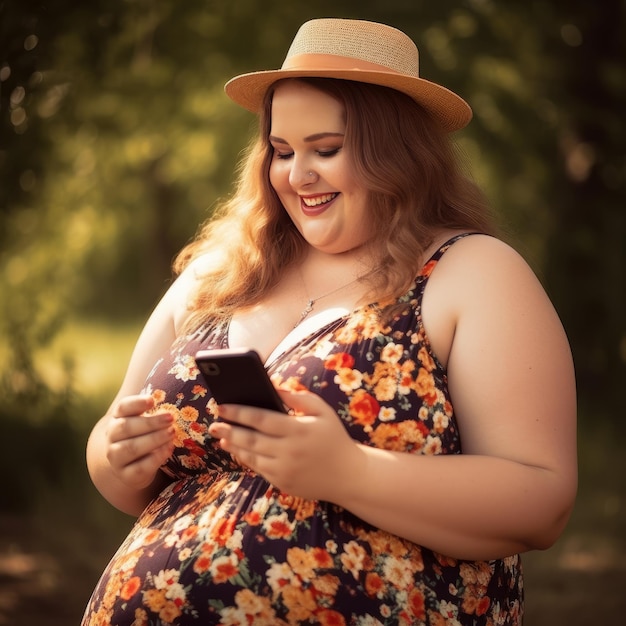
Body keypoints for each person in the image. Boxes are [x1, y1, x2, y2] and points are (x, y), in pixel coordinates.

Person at [82, 17, 577, 626]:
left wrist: (348, 472)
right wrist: (113, 455)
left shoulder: (472, 272)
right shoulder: (222, 272)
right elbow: (115, 459)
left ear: (397, 153)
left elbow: (541, 503)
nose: (297, 175)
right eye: (282, 152)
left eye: (326, 149)